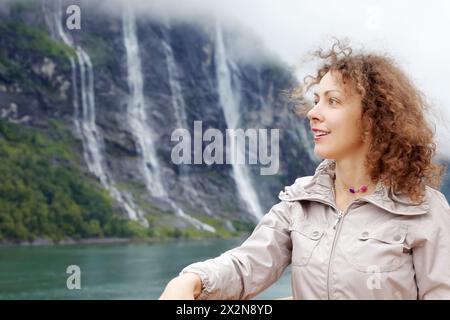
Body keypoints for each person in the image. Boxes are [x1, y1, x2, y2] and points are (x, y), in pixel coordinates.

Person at [159, 41, 450, 300]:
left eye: (332, 101)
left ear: (373, 118)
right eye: (316, 101)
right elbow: (246, 265)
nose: (312, 113)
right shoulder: (300, 201)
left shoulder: (424, 210)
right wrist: (192, 280)